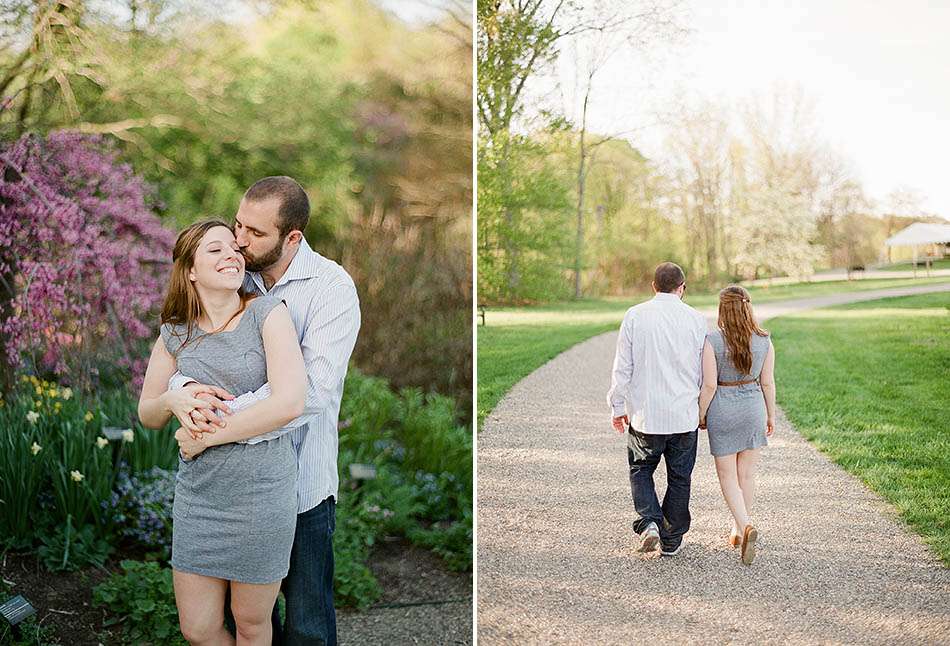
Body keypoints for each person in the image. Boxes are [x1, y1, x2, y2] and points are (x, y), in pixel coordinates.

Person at [164, 176, 361, 646]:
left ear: (292, 237)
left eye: (255, 233)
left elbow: (308, 392)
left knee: (308, 626)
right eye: (238, 225)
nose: (239, 241)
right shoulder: (235, 272)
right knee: (250, 625)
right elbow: (190, 344)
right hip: (234, 489)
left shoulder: (331, 288)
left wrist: (212, 427)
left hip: (302, 485)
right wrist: (182, 389)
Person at [138, 219, 307, 645]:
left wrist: (205, 436)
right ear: (190, 269)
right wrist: (172, 401)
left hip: (262, 491)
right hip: (201, 496)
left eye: (233, 248)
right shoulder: (175, 333)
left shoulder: (268, 314)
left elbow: (289, 403)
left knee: (250, 625)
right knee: (198, 628)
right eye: (215, 250)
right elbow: (148, 413)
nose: (231, 255)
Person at [607, 262, 708, 557]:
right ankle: (672, 539)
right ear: (682, 288)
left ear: (653, 287)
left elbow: (622, 367)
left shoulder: (635, 315)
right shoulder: (695, 319)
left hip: (645, 416)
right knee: (680, 477)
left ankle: (649, 522)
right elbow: (703, 373)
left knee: (641, 469)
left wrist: (616, 405)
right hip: (683, 415)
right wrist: (702, 411)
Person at [698, 285, 775, 565]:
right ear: (748, 306)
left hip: (724, 408)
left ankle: (744, 526)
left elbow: (708, 385)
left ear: (722, 310)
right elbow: (767, 382)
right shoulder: (764, 340)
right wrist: (770, 415)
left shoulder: (712, 341)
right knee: (747, 475)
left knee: (728, 477)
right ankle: (738, 529)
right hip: (753, 405)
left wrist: (701, 414)